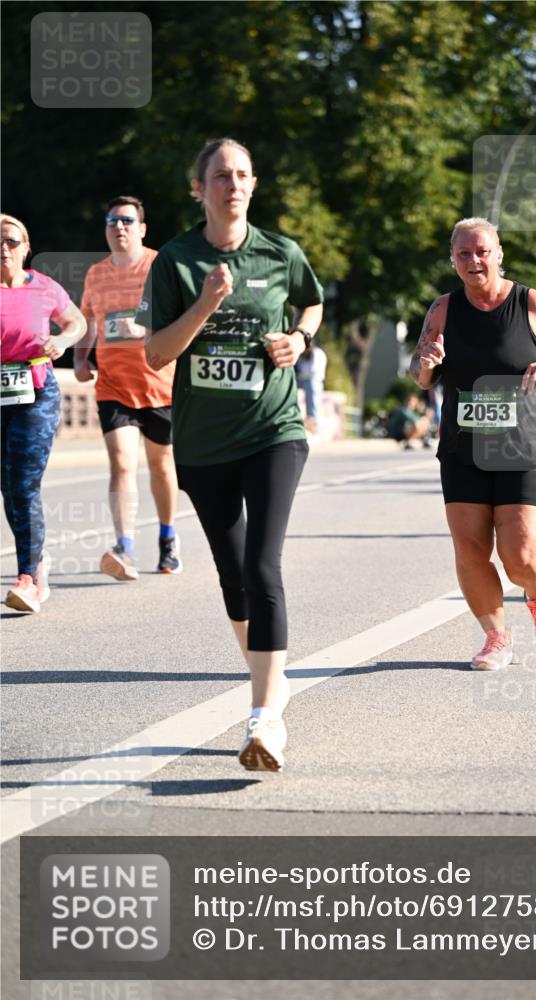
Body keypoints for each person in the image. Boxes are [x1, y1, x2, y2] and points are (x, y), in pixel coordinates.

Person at [135, 137, 323, 772]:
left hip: (273, 430)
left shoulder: (279, 252)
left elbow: (312, 300)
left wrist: (299, 338)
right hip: (204, 443)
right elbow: (156, 354)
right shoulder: (177, 261)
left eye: (242, 174)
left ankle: (265, 716)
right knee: (233, 572)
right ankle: (272, 678)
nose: (233, 185)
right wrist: (206, 303)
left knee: (263, 567)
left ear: (253, 184)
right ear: (200, 188)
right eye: (220, 175)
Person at [410, 217, 536, 671]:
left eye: (482, 251)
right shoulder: (443, 309)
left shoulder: (530, 302)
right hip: (463, 448)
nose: (474, 260)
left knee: (519, 556)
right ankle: (496, 638)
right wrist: (427, 363)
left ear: (498, 254)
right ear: (453, 260)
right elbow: (420, 375)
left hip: (523, 446)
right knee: (469, 550)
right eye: (464, 253)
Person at [75, 196, 182, 580]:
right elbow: (88, 321)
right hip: (113, 385)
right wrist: (80, 358)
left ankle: (168, 538)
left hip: (160, 384)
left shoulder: (160, 266)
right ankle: (125, 546)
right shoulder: (96, 274)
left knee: (160, 465)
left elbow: (183, 317)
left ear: (142, 228)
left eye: (126, 220)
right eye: (111, 221)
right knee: (121, 462)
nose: (118, 227)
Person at [1, 213, 86, 613]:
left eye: (11, 241)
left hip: (35, 393)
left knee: (23, 483)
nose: (3, 248)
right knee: (8, 485)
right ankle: (36, 561)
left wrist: (63, 341)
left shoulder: (44, 286)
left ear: (26, 248)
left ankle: (28, 578)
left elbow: (77, 322)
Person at [295, 341, 327, 434]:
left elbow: (313, 369)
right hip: (305, 380)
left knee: (314, 405)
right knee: (309, 406)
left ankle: (315, 429)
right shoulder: (304, 356)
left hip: (314, 381)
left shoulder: (317, 353)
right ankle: (311, 427)